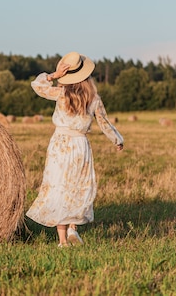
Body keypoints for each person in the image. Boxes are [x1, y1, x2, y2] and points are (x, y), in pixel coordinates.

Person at [26, 51, 124, 247]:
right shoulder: (93, 97)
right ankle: (73, 228)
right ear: (86, 75)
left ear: (67, 75)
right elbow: (104, 122)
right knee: (77, 188)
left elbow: (37, 85)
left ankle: (62, 240)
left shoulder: (61, 93)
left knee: (59, 187)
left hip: (60, 144)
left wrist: (53, 75)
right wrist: (117, 139)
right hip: (80, 145)